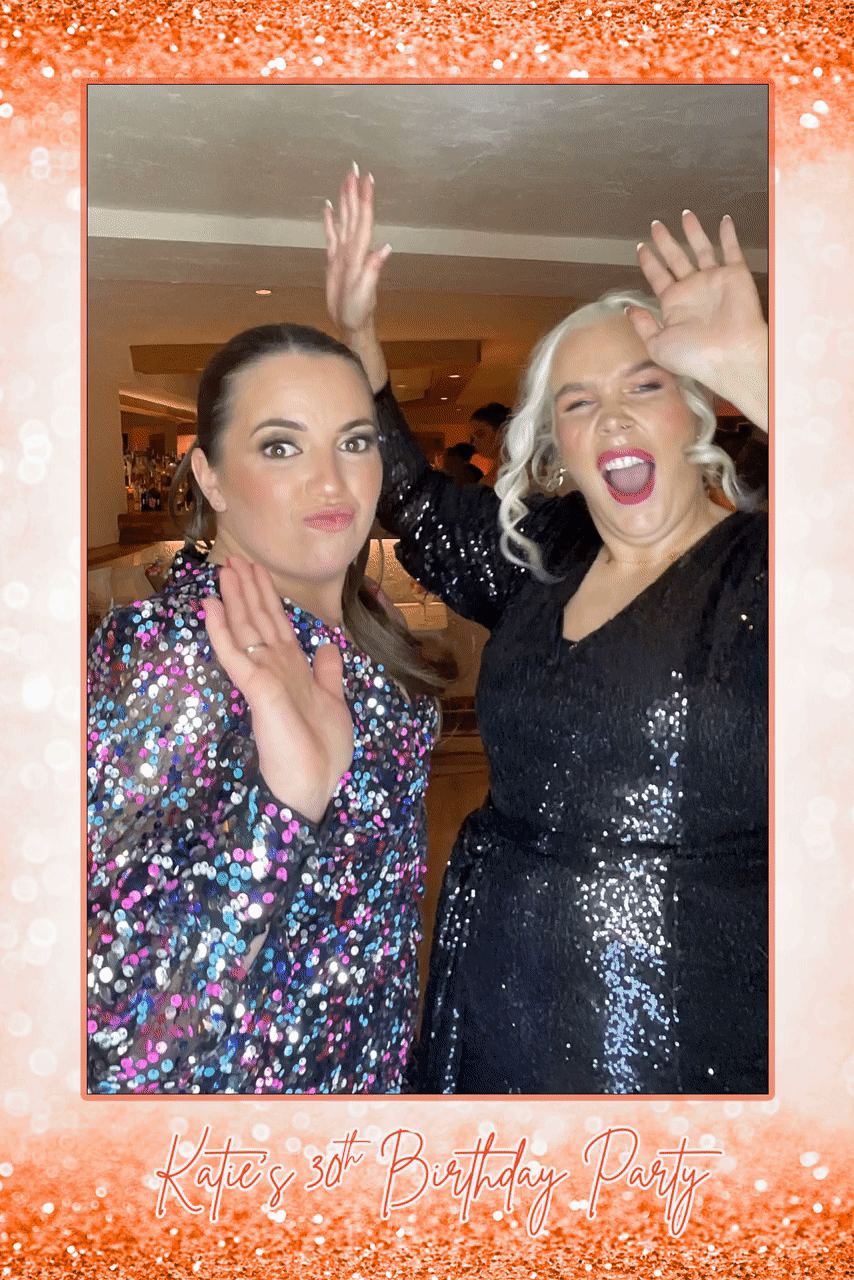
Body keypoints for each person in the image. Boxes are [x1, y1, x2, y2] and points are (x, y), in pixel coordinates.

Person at [324, 171, 768, 1094]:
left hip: (686, 1015)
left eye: (644, 384)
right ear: (557, 443)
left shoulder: (772, 567)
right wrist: (357, 335)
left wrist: (767, 377)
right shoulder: (546, 551)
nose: (611, 415)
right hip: (500, 979)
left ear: (695, 408)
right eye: (577, 402)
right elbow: (414, 499)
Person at [87, 322, 452, 1095]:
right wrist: (286, 809)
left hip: (374, 1080)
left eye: (355, 441)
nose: (332, 480)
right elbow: (122, 1030)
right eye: (282, 446)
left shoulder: (362, 614)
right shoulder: (172, 652)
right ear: (211, 478)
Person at [468, 402, 510, 485]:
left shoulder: (522, 472)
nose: (474, 443)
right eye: (472, 438)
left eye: (480, 434)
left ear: (501, 432)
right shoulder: (491, 476)